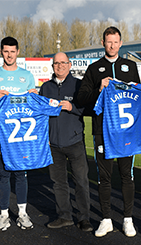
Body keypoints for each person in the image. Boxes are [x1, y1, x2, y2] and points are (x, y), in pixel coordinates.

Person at [77, 26, 140, 237]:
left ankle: (127, 219)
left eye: (115, 42)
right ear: (103, 43)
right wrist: (99, 89)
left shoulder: (130, 66)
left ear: (121, 43)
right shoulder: (94, 69)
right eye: (108, 41)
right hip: (102, 131)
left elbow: (139, 95)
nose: (112, 45)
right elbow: (81, 97)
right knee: (104, 177)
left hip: (125, 131)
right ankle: (105, 220)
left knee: (126, 176)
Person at [0, 36, 37, 232]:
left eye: (12, 51)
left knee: (21, 174)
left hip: (22, 135)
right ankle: (4, 214)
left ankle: (22, 213)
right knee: (3, 174)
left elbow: (34, 104)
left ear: (18, 52)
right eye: (6, 51)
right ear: (1, 52)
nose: (9, 55)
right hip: (2, 134)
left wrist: (33, 97)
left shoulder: (27, 75)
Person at [39, 52, 92, 232]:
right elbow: (39, 112)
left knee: (81, 182)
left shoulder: (79, 85)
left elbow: (89, 109)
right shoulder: (45, 87)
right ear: (52, 66)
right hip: (53, 143)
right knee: (58, 182)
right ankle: (64, 216)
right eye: (56, 63)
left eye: (63, 63)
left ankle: (84, 218)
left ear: (69, 65)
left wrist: (73, 108)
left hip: (75, 141)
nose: (60, 66)